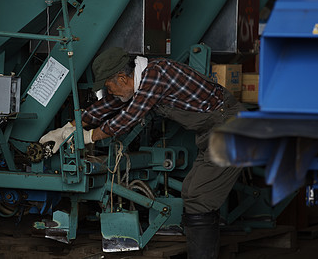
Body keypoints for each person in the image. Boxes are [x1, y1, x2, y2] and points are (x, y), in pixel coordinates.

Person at [39, 47, 244, 258]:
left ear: (121, 77)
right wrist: (67, 129)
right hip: (212, 136)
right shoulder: (137, 82)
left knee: (199, 198)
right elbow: (107, 106)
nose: (110, 93)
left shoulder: (156, 74)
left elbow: (129, 116)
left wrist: (90, 137)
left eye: (109, 87)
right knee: (191, 191)